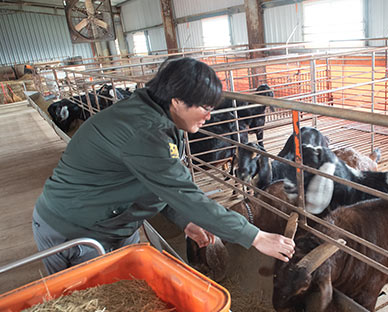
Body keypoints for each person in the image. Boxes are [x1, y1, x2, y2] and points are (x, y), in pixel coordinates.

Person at [32, 57, 295, 275]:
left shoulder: (159, 116)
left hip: (114, 223)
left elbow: (157, 184)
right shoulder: (146, 131)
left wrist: (185, 220)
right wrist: (256, 237)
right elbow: (184, 194)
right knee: (95, 310)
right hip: (77, 230)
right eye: (204, 107)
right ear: (177, 101)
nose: (209, 116)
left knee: (128, 290)